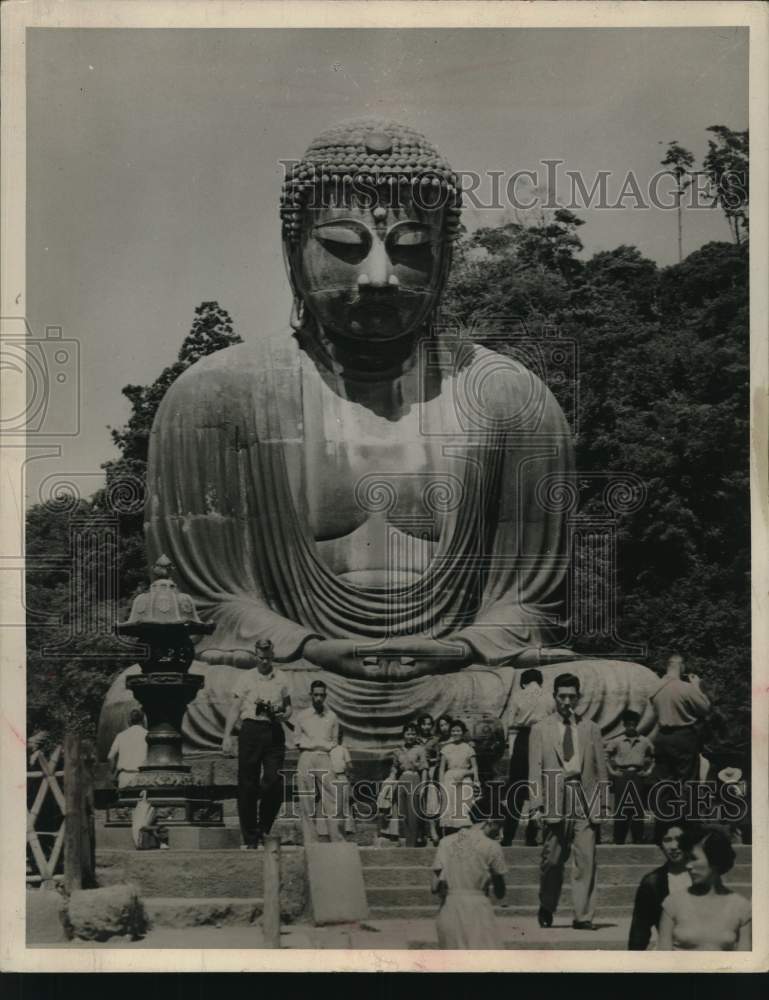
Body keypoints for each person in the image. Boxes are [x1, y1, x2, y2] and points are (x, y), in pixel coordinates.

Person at [528, 672, 609, 930]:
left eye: (571, 696)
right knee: (552, 860)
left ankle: (583, 916)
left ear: (578, 698)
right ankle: (547, 904)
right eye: (562, 696)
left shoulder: (591, 728)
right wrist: (536, 804)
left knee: (586, 859)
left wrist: (604, 803)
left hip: (585, 798)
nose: (567, 701)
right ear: (554, 697)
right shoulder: (540, 729)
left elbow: (600, 768)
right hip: (554, 797)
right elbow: (534, 769)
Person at [221, 639, 292, 849]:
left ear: (273, 655)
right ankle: (250, 836)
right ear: (255, 655)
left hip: (273, 730)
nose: (264, 661)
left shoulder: (282, 677)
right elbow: (235, 708)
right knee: (247, 784)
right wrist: (226, 736)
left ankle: (264, 827)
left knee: (274, 781)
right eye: (261, 657)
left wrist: (282, 715)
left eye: (268, 658)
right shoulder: (245, 678)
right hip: (251, 730)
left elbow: (289, 709)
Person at [658, 827, 751, 951]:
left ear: (715, 859)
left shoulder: (741, 907)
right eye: (687, 859)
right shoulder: (672, 904)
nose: (687, 865)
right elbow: (664, 961)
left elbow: (745, 964)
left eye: (693, 858)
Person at [431, 819, 507, 949]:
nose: (500, 833)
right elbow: (500, 893)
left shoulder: (445, 842)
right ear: (488, 821)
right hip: (478, 908)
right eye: (499, 826)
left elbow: (434, 887)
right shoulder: (492, 846)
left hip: (450, 907)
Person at [650, 654, 711, 801]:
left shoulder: (655, 688)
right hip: (683, 737)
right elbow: (705, 708)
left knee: (663, 782)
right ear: (681, 666)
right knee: (687, 781)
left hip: (662, 737)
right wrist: (696, 687)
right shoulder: (686, 688)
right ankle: (686, 822)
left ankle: (664, 822)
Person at [293, 679, 344, 843]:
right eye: (316, 695)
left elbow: (335, 741)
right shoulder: (302, 716)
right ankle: (310, 840)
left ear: (325, 696)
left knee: (331, 799)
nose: (319, 698)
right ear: (311, 695)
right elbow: (297, 740)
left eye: (322, 695)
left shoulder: (332, 716)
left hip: (324, 756)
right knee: (306, 799)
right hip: (306, 755)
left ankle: (336, 838)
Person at [501, 669, 547, 846]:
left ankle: (508, 836)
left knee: (516, 790)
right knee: (537, 788)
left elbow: (510, 722)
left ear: (523, 682)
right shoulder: (549, 697)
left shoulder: (518, 696)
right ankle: (532, 835)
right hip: (542, 738)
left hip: (522, 739)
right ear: (540, 681)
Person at [627, 823, 691, 950]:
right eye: (667, 840)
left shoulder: (705, 877)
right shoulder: (652, 882)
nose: (673, 846)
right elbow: (639, 932)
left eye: (679, 839)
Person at [605, 709, 655, 845]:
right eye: (628, 724)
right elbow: (605, 756)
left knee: (637, 808)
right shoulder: (617, 741)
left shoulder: (645, 741)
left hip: (638, 776)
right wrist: (612, 771)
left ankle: (638, 838)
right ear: (624, 725)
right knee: (621, 808)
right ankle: (618, 839)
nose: (631, 727)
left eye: (633, 724)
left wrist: (649, 770)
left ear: (637, 724)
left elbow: (654, 756)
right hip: (622, 775)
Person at [383, 723, 430, 847]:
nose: (411, 736)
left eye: (413, 733)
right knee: (402, 811)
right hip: (402, 779)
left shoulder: (420, 749)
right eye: (408, 733)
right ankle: (404, 840)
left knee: (413, 812)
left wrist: (423, 786)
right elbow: (394, 768)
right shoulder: (398, 750)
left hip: (415, 778)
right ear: (403, 735)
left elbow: (424, 768)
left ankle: (413, 842)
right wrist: (391, 779)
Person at [439, 720, 479, 838]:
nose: (455, 733)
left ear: (462, 732)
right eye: (453, 731)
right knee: (449, 808)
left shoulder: (468, 748)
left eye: (458, 730)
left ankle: (464, 837)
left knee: (463, 807)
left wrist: (466, 774)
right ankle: (449, 838)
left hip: (464, 779)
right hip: (449, 779)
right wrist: (441, 785)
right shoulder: (445, 748)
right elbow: (442, 769)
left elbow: (475, 768)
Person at [107, 709, 148, 788]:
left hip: (124, 777)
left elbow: (110, 757)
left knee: (124, 799)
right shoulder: (148, 735)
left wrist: (112, 774)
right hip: (142, 778)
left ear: (129, 721)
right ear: (143, 720)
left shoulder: (121, 735)